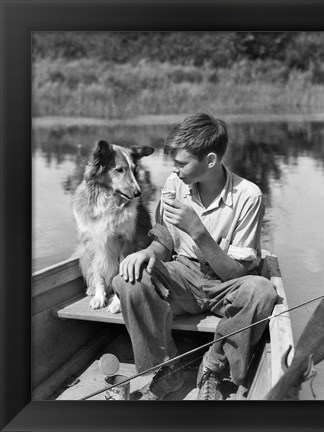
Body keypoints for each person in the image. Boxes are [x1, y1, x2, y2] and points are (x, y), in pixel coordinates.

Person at [112, 112, 278, 400]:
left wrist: (199, 232)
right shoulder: (174, 184)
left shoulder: (248, 195)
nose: (174, 170)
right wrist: (148, 253)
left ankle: (213, 368)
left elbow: (237, 274)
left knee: (261, 291)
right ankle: (169, 366)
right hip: (183, 275)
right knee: (128, 279)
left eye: (181, 163)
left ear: (210, 161)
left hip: (227, 285)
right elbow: (164, 237)